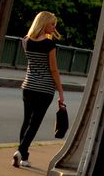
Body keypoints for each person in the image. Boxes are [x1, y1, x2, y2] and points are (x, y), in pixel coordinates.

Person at [13, 11, 65, 168]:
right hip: (44, 89)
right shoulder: (49, 45)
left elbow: (32, 64)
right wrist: (61, 91)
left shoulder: (26, 41)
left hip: (28, 86)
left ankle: (23, 157)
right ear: (44, 24)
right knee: (34, 123)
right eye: (52, 24)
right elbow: (53, 69)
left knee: (26, 121)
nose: (54, 27)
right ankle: (20, 151)